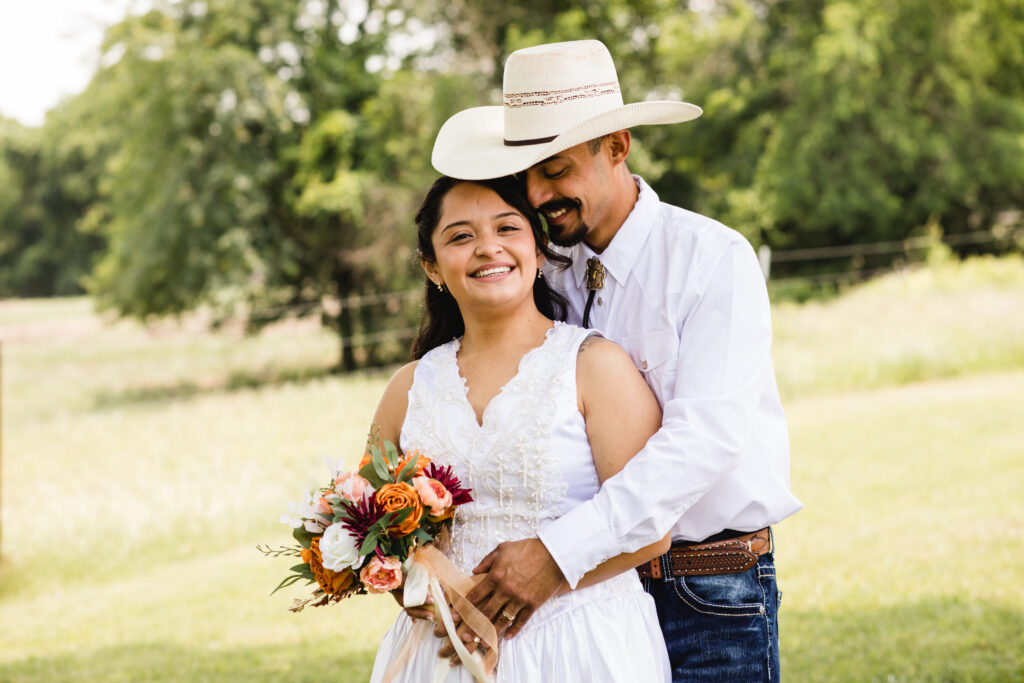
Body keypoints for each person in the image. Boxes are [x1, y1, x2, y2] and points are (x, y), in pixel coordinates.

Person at [430, 40, 803, 680]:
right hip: (581, 607)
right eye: (526, 174)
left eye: (557, 169)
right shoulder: (541, 269)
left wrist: (556, 553)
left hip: (704, 590)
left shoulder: (711, 259)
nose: (539, 193)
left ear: (618, 146)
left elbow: (702, 440)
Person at [367, 174, 671, 682]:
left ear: (537, 246)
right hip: (441, 655)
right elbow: (371, 526)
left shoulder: (595, 365)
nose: (488, 248)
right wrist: (410, 582)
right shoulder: (408, 387)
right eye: (460, 236)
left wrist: (544, 577)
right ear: (431, 266)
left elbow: (653, 531)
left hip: (580, 646)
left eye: (507, 228)